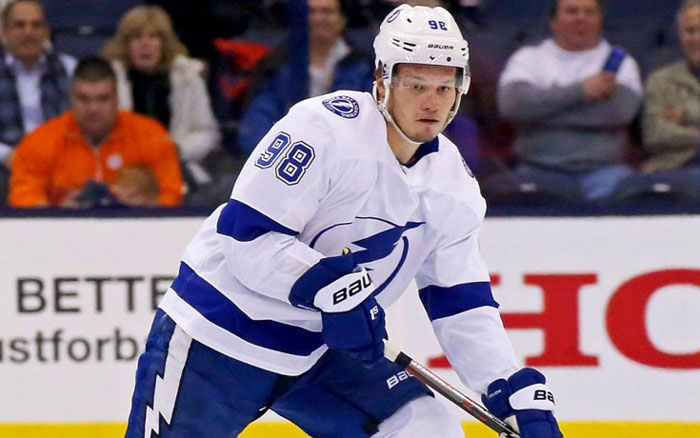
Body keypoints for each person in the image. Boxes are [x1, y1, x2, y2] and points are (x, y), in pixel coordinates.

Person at [125, 5, 564, 438]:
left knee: (426, 427)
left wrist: (505, 385)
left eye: (444, 88)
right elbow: (246, 236)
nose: (432, 102)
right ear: (383, 81)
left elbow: (460, 300)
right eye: (416, 85)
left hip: (324, 350)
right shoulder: (321, 130)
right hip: (221, 331)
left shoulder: (454, 185)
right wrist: (327, 287)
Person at [484, 0, 643, 203]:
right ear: (554, 21)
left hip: (605, 172)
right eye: (572, 11)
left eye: (589, 12)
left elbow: (620, 113)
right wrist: (582, 91)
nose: (581, 18)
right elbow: (513, 106)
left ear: (600, 19)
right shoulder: (529, 59)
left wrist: (541, 112)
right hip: (537, 170)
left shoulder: (620, 61)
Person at [9, 57, 183, 208]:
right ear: (71, 99)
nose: (93, 109)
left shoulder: (151, 135)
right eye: (83, 99)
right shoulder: (39, 141)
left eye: (103, 99)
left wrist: (146, 208)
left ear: (117, 99)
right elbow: (24, 202)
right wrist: (58, 214)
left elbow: (172, 194)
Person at [102, 5, 221, 190]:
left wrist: (174, 149)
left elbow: (206, 133)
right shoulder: (107, 79)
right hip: (120, 170)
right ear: (125, 44)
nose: (145, 44)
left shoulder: (188, 77)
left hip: (177, 167)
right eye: (136, 37)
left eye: (153, 37)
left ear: (164, 43)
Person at [237, 0, 375, 156]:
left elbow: (371, 121)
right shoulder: (277, 64)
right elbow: (257, 122)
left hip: (348, 157)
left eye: (326, 11)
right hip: (288, 156)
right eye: (311, 12)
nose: (318, 18)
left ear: (342, 19)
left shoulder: (364, 66)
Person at [619, 0, 700, 200]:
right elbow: (655, 135)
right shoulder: (660, 81)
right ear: (680, 36)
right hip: (673, 167)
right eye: (690, 31)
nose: (697, 38)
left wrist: (686, 114)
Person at [0, 0, 76, 205]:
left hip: (62, 166)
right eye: (19, 25)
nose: (28, 32)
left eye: (36, 25)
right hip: (5, 166)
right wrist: (5, 154)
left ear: (46, 32)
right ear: (4, 32)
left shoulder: (70, 69)